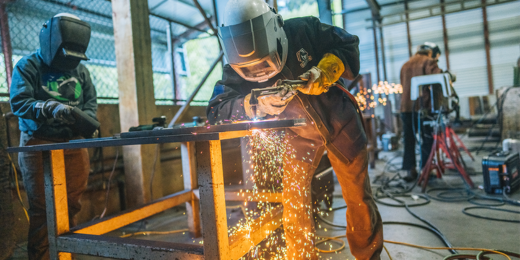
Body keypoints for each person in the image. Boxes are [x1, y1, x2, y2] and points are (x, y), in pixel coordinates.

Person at [207, 1, 383, 259]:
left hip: (341, 124)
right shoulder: (235, 69)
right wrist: (253, 103)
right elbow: (215, 110)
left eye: (264, 64)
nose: (259, 72)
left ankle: (368, 255)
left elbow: (347, 43)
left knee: (357, 196)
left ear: (276, 32)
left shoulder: (305, 29)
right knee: (294, 202)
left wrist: (325, 71)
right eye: (250, 70)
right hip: (297, 136)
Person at [9, 13, 97, 260]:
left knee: (71, 206)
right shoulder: (28, 66)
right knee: (44, 211)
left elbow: (90, 102)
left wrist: (86, 121)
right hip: (39, 143)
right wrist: (49, 108)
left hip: (74, 143)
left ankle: (66, 255)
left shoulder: (81, 70)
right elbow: (19, 101)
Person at [399, 42, 443, 182]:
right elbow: (438, 78)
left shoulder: (405, 65)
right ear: (430, 53)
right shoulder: (429, 61)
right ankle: (426, 170)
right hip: (423, 108)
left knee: (409, 140)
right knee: (427, 139)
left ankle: (409, 171)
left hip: (406, 108)